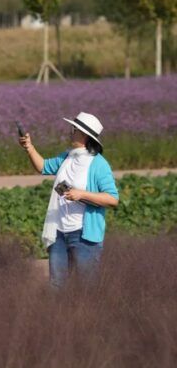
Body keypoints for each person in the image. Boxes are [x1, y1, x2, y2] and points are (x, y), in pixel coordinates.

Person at [18, 112, 119, 288]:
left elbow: (112, 198)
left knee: (86, 287)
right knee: (57, 285)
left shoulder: (99, 164)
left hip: (83, 236)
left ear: (84, 135)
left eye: (74, 129)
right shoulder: (67, 157)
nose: (70, 131)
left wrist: (81, 194)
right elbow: (43, 167)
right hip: (58, 233)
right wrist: (29, 148)